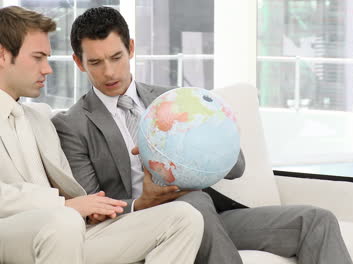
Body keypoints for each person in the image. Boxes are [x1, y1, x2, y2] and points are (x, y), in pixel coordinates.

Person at [53, 6, 353, 264]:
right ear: (79, 63)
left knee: (317, 221)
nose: (109, 72)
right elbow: (92, 209)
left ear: (131, 48)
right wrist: (142, 202)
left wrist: (208, 141)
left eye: (116, 57)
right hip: (144, 225)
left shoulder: (174, 100)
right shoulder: (72, 125)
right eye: (95, 62)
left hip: (210, 213)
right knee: (193, 202)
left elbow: (236, 167)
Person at [0, 6, 203, 264]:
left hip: (65, 230)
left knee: (184, 217)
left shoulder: (39, 118)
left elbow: (71, 192)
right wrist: (65, 207)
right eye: (38, 57)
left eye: (48, 58)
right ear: (3, 55)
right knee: (64, 223)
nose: (48, 69)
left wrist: (90, 209)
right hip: (12, 231)